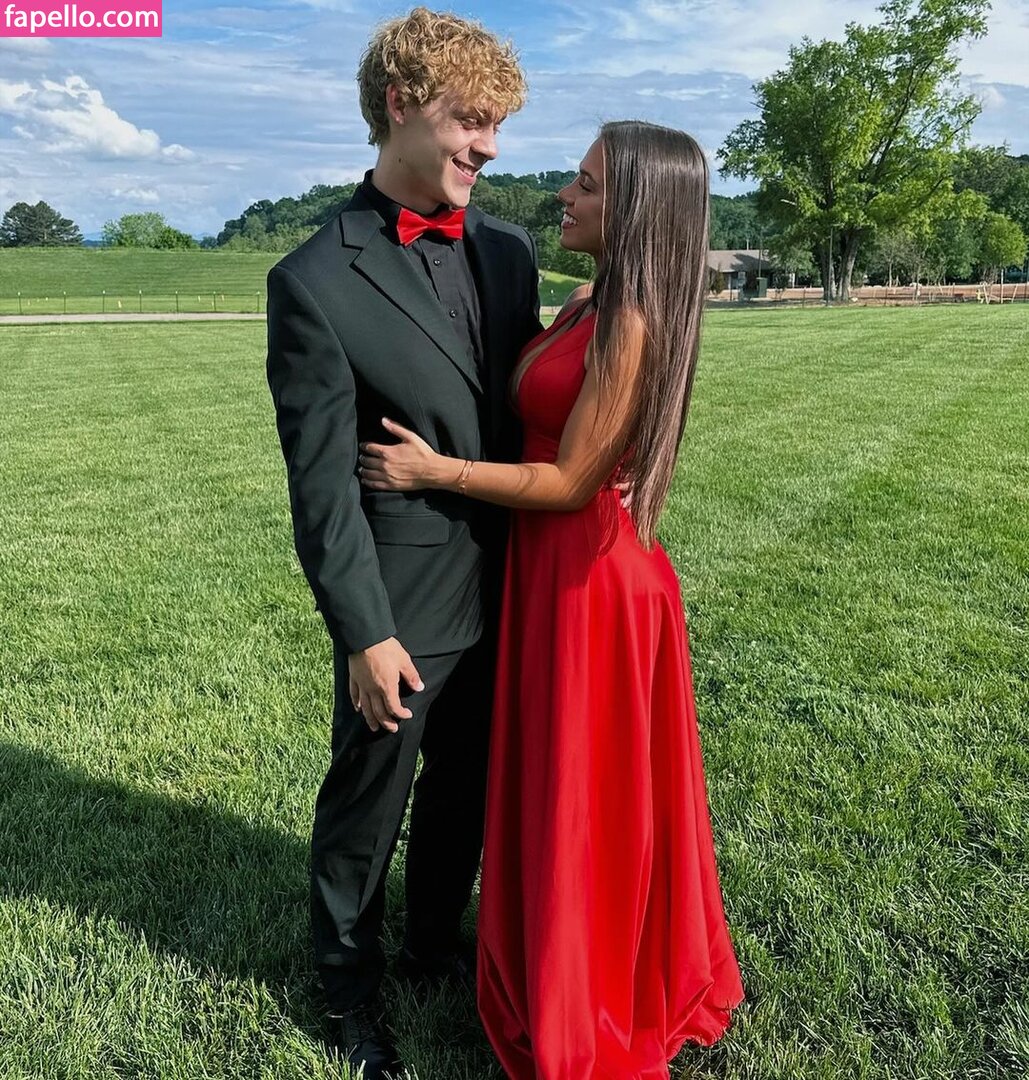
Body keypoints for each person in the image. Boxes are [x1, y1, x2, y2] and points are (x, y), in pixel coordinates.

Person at [358, 120, 746, 1078]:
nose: (563, 197)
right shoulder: (584, 300)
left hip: (593, 582)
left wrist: (434, 471)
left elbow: (572, 482)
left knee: (586, 795)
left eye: (585, 185)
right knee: (553, 779)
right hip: (549, 569)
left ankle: (589, 986)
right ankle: (543, 954)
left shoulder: (631, 323)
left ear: (637, 209)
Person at [264, 9, 539, 1077]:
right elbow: (323, 490)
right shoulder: (313, 280)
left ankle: (434, 945)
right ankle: (345, 992)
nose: (489, 146)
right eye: (471, 121)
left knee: (468, 785)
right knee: (367, 803)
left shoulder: (509, 253)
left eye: (498, 125)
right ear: (399, 106)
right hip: (402, 601)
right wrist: (365, 634)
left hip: (513, 585)